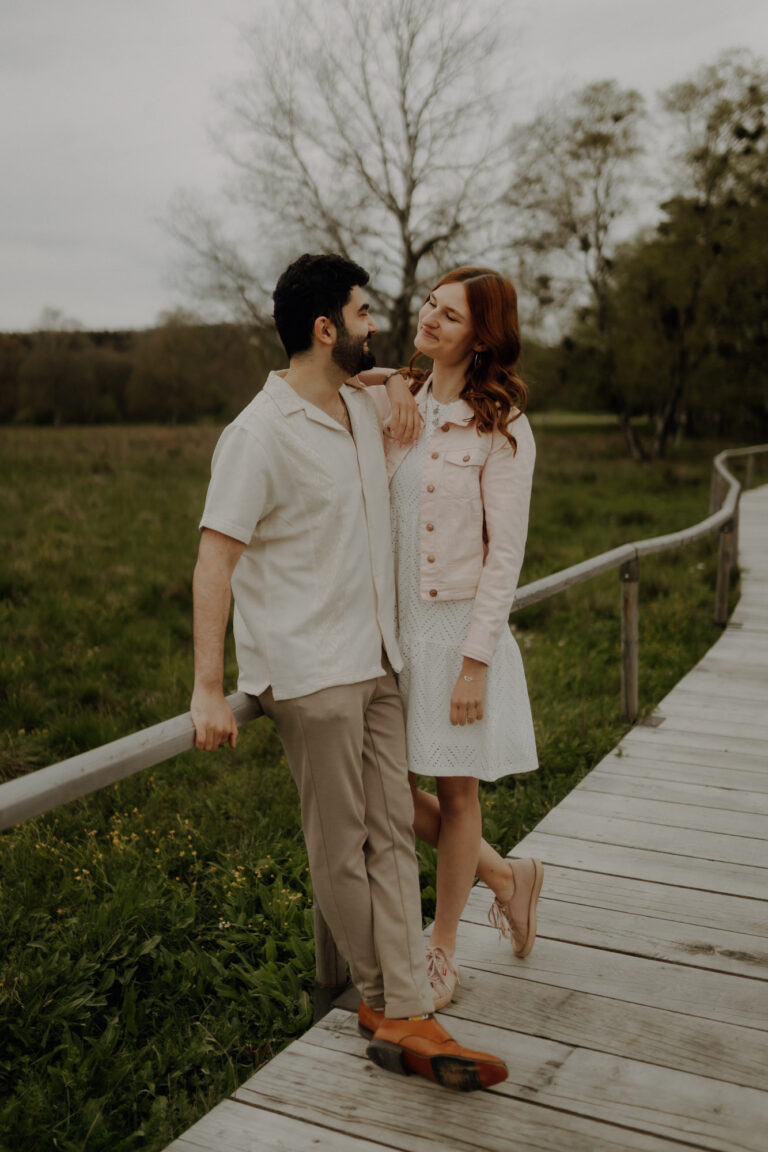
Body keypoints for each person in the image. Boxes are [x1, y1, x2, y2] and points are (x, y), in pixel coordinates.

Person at [189, 253, 508, 1091]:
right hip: (309, 671)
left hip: (379, 662)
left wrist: (398, 385)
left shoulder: (365, 405)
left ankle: (404, 1006)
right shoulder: (256, 435)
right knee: (342, 847)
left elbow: (410, 379)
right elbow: (214, 562)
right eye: (365, 313)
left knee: (393, 837)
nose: (380, 326)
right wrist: (207, 687)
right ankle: (392, 1002)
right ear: (327, 328)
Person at [362, 266, 543, 1010]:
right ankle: (505, 877)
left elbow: (507, 553)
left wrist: (476, 662)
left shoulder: (502, 425)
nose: (430, 319)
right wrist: (397, 383)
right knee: (388, 792)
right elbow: (292, 371)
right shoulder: (386, 395)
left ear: (482, 337)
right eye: (430, 305)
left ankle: (441, 950)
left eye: (450, 316)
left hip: (455, 631)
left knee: (456, 791)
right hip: (391, 631)